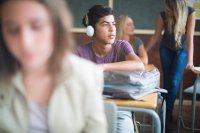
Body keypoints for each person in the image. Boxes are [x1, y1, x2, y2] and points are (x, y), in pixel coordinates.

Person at [0, 0, 107, 133]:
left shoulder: (88, 75)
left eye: (37, 26)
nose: (25, 42)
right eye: (12, 30)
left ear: (58, 27)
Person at [75, 5, 145, 133]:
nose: (112, 29)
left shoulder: (121, 46)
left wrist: (102, 67)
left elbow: (139, 65)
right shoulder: (80, 53)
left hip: (120, 109)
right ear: (92, 29)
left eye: (113, 24)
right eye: (105, 24)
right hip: (90, 110)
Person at [145, 0, 195, 132]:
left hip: (182, 50)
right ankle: (166, 114)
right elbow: (156, 36)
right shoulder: (162, 15)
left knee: (173, 82)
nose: (166, 11)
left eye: (169, 9)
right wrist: (143, 53)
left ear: (177, 8)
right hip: (166, 49)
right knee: (167, 83)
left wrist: (190, 60)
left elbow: (189, 37)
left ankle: (165, 114)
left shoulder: (190, 13)